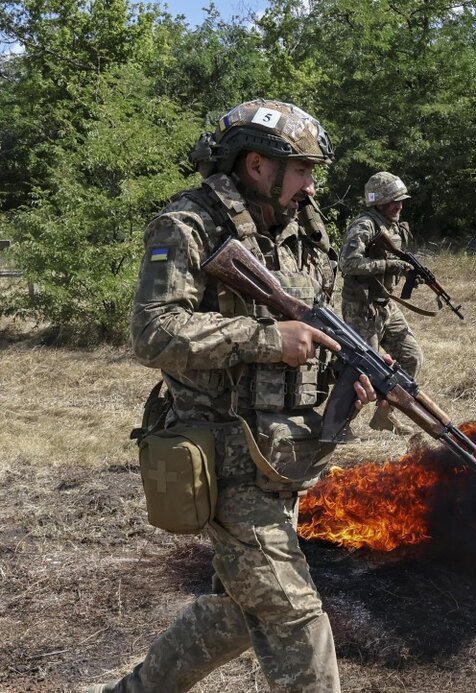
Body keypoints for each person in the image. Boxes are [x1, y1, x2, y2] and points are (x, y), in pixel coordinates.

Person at [89, 99, 378, 692]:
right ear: (257, 164)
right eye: (302, 169)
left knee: (237, 613)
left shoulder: (302, 230)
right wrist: (267, 338)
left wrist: (351, 369)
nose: (311, 184)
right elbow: (153, 332)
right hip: (221, 453)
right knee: (292, 613)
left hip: (281, 456)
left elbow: (313, 327)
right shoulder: (188, 225)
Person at [339, 171, 425, 434]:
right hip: (362, 307)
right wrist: (388, 265)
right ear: (378, 202)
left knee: (411, 357)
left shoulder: (394, 226)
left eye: (401, 200)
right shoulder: (364, 225)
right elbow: (347, 263)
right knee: (363, 370)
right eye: (392, 201)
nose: (399, 206)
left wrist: (406, 272)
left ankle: (383, 416)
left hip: (385, 304)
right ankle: (339, 426)